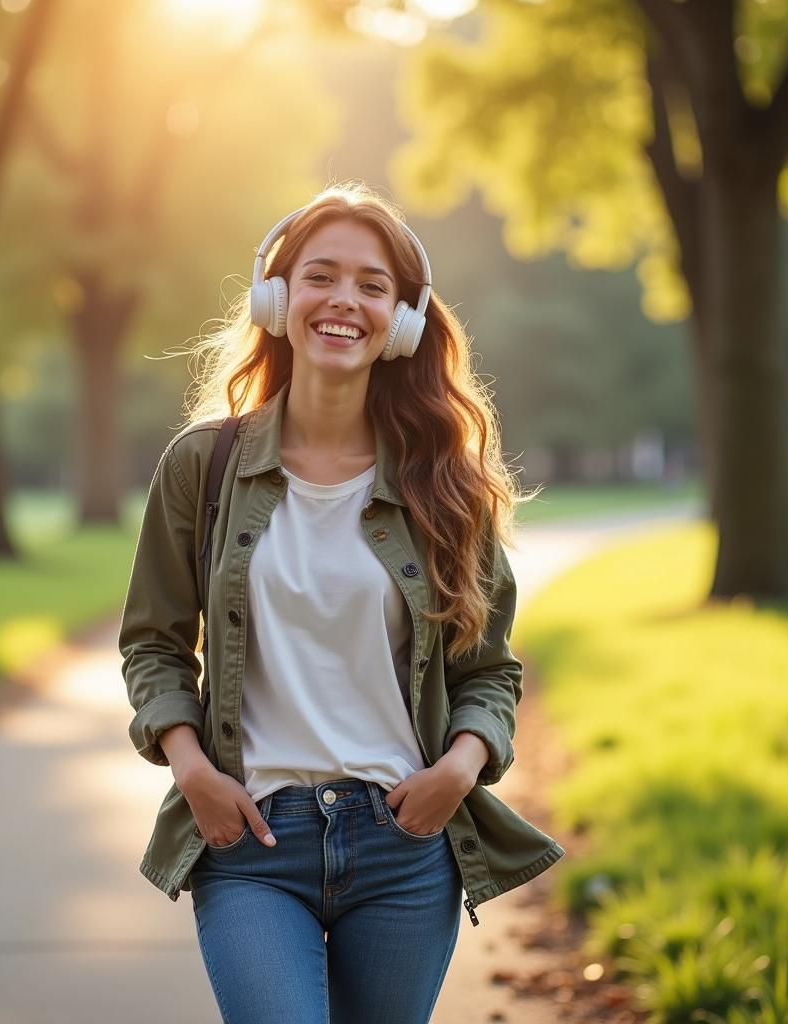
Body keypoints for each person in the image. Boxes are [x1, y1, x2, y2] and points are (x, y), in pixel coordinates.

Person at [118, 181, 564, 1024]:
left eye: (372, 285)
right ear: (277, 296)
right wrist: (193, 771)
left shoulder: (448, 486)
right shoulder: (201, 467)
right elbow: (154, 644)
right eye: (321, 275)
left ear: (400, 320)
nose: (344, 301)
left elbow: (490, 671)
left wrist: (456, 773)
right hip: (251, 842)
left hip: (405, 841)